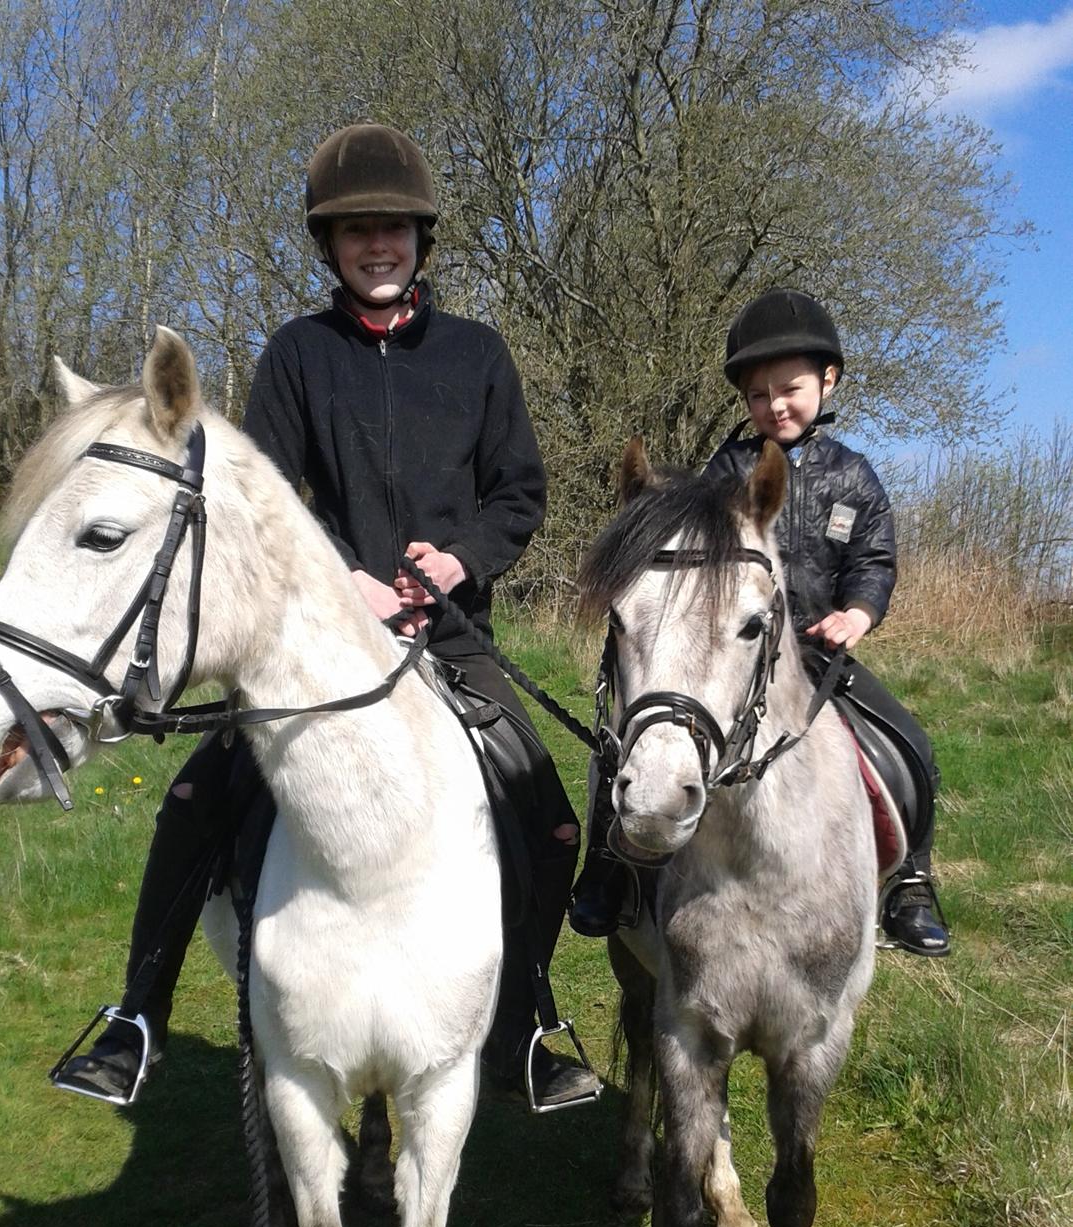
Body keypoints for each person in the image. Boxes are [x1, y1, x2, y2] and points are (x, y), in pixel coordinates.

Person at [57, 122, 598, 1109]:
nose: (376, 245)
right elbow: (265, 493)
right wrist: (342, 574)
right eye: (355, 233)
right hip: (320, 637)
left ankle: (527, 1020)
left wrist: (460, 558)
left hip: (451, 633)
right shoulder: (297, 354)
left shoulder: (478, 356)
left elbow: (518, 492)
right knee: (193, 802)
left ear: (421, 239)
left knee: (553, 825)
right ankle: (134, 1017)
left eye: (393, 228)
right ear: (330, 247)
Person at [569, 286, 950, 956]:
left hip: (817, 654)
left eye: (791, 387)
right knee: (624, 747)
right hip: (729, 650)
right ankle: (611, 867)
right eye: (758, 394)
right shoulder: (728, 468)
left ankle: (911, 881)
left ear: (827, 381)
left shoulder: (852, 477)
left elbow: (874, 559)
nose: (775, 405)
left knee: (909, 744)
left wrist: (857, 613)